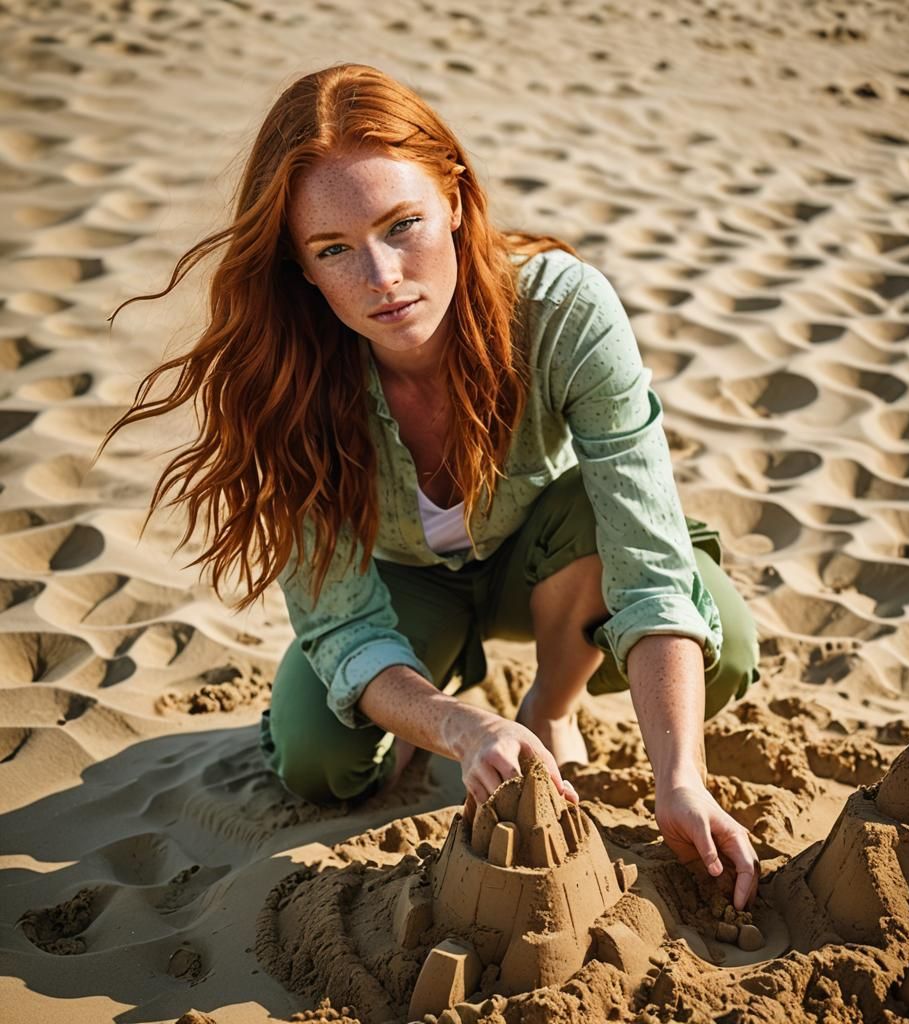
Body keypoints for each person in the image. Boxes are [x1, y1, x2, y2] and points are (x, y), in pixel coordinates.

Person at [100, 63, 761, 910]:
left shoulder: (563, 310)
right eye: (333, 249)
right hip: (401, 582)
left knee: (721, 652)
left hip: (543, 560)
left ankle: (550, 704)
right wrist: (456, 724)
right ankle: (437, 689)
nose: (381, 276)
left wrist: (680, 779)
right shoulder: (282, 376)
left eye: (401, 224)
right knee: (317, 762)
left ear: (453, 197)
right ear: (300, 266)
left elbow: (648, 556)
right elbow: (342, 623)